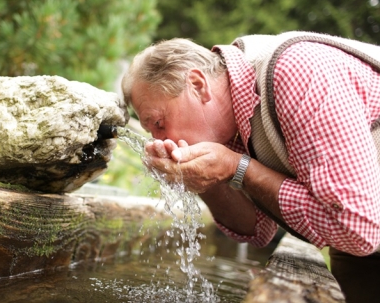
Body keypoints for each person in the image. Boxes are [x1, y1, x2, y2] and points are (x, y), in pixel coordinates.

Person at [120, 31, 380, 303]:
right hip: (360, 248)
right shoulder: (231, 124)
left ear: (198, 85)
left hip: (360, 231)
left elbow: (357, 229)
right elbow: (257, 229)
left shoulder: (296, 71)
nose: (161, 141)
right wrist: (197, 177)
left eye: (159, 124)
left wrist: (238, 168)